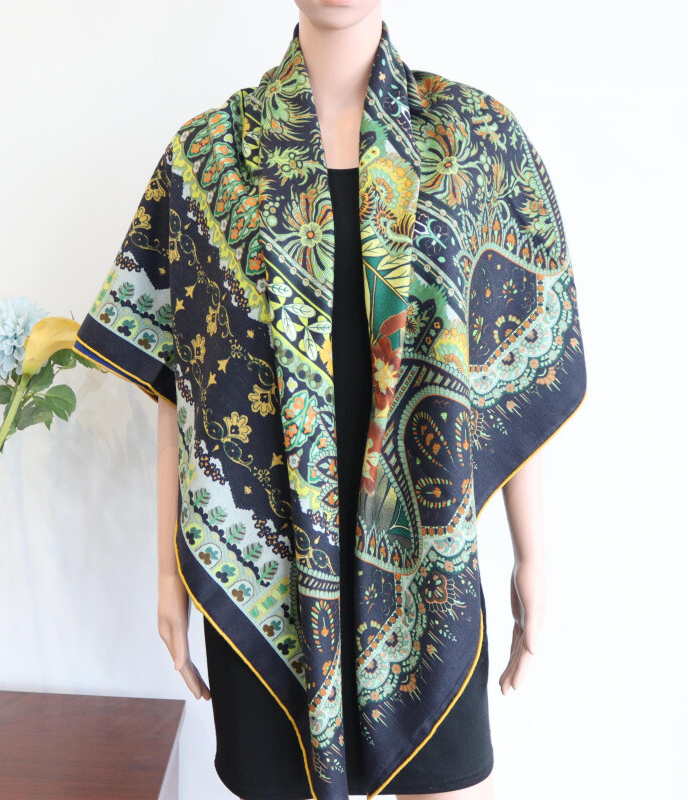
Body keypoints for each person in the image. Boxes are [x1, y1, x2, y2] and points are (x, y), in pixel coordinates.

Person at [74, 1, 587, 798]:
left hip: (429, 570)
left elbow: (510, 360)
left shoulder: (475, 139)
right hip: (267, 577)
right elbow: (181, 386)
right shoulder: (206, 157)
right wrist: (169, 575)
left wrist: (533, 559)